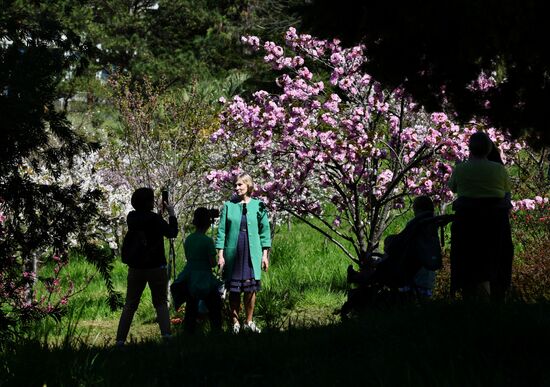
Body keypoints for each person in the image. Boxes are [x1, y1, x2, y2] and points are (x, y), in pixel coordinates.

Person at [448, 131, 513, 302]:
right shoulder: (499, 169)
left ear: (469, 149)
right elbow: (506, 192)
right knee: (495, 259)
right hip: (495, 223)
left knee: (467, 261)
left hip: (467, 222)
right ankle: (496, 296)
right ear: (489, 149)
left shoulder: (461, 169)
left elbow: (453, 188)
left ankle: (467, 297)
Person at [115, 187, 178, 346]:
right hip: (156, 266)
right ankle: (166, 336)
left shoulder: (131, 217)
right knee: (160, 303)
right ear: (149, 201)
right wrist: (171, 214)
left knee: (130, 303)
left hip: (136, 267)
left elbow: (144, 222)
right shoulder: (155, 219)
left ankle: (120, 340)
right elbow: (172, 233)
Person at [216, 173, 271, 334]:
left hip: (251, 250)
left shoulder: (258, 205)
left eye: (240, 184)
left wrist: (265, 255)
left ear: (248, 185)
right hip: (233, 251)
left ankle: (249, 321)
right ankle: (235, 323)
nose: (237, 187)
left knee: (250, 287)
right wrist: (220, 254)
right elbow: (222, 232)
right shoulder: (228, 206)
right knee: (234, 288)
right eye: (236, 185)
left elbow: (264, 231)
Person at [171, 207, 222, 333]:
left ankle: (189, 333)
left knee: (191, 307)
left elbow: (189, 257)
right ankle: (217, 331)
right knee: (214, 306)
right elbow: (212, 264)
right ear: (208, 224)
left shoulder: (189, 239)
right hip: (205, 278)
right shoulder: (208, 241)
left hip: (190, 277)